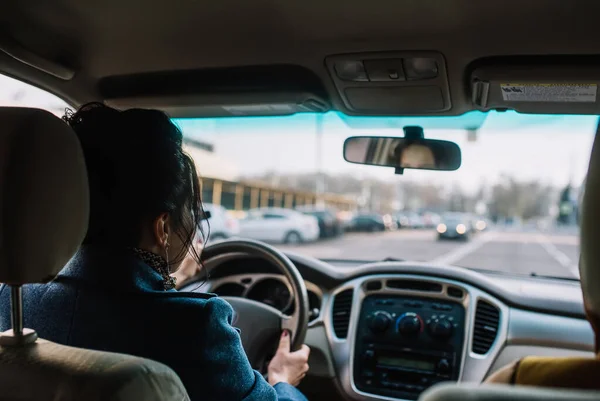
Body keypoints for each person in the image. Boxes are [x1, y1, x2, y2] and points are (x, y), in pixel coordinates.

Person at [0, 103, 310, 401]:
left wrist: (169, 280)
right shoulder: (196, 324)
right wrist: (281, 380)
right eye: (191, 210)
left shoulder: (12, 304)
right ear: (162, 227)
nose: (194, 222)